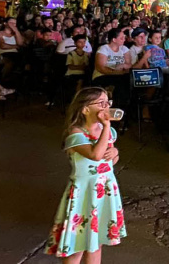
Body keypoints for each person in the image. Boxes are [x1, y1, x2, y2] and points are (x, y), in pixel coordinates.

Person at [44, 87, 126, 261]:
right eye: (101, 103)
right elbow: (95, 155)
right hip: (84, 193)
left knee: (96, 242)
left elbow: (108, 161)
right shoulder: (76, 135)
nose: (106, 107)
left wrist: (115, 153)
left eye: (108, 103)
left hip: (104, 190)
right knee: (77, 242)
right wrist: (106, 125)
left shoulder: (108, 133)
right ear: (85, 109)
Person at [92, 29, 132, 109]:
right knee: (121, 83)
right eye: (121, 38)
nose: (124, 39)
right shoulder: (104, 49)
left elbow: (129, 64)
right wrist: (118, 72)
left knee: (128, 82)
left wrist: (123, 66)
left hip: (121, 75)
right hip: (103, 75)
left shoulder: (124, 49)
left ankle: (122, 108)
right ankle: (116, 108)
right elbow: (101, 68)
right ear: (114, 39)